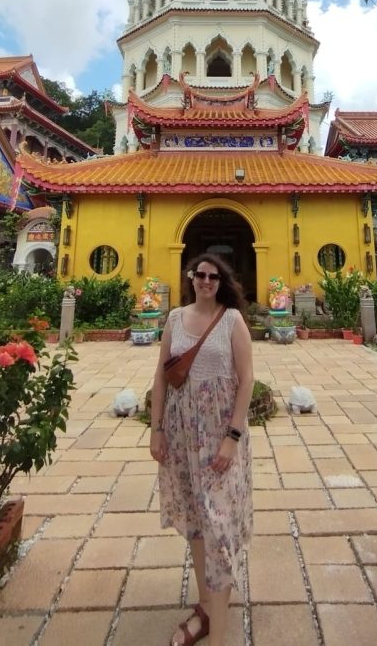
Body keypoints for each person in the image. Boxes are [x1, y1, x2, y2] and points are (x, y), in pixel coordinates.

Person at [150, 253, 254, 646]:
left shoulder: (232, 321)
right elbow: (160, 377)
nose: (206, 281)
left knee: (220, 529)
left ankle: (219, 635)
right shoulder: (175, 319)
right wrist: (156, 429)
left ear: (221, 281)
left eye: (213, 276)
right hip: (181, 435)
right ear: (191, 278)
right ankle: (208, 609)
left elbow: (247, 382)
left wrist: (232, 436)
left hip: (219, 440)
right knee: (197, 522)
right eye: (200, 275)